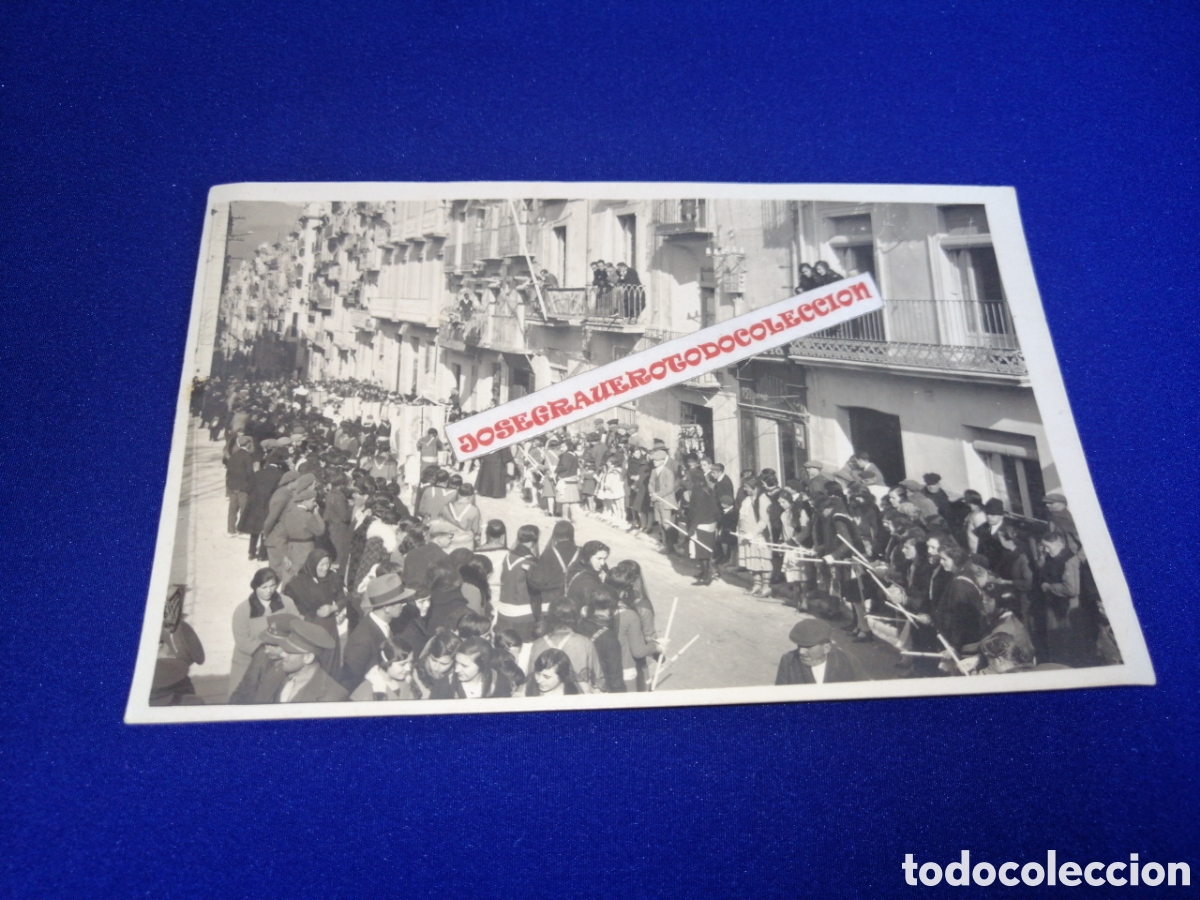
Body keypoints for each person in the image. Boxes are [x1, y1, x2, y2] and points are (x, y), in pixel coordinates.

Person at [339, 573, 414, 690]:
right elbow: (349, 682)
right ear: (387, 608)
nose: (403, 605)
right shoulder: (361, 640)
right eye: (400, 601)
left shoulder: (386, 625)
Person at [229, 567, 298, 693]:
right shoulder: (243, 610)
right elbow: (242, 640)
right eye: (264, 587)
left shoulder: (287, 603)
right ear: (255, 587)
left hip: (281, 659)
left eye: (272, 586)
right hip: (249, 663)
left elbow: (297, 627)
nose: (269, 591)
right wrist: (267, 650)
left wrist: (282, 649)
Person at [283, 549, 347, 675]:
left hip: (328, 627)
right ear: (313, 564)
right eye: (321, 564)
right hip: (307, 627)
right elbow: (287, 603)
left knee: (328, 663)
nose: (325, 568)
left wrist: (332, 608)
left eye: (327, 564)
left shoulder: (332, 578)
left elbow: (343, 599)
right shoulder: (298, 582)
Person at [267, 619, 349, 703]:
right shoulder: (282, 676)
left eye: (289, 652)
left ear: (308, 658)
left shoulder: (333, 696)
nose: (282, 654)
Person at [528, 602, 603, 692]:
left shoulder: (537, 644)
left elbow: (530, 679)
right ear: (575, 617)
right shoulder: (585, 642)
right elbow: (598, 681)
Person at [228, 612, 298, 704]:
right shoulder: (262, 653)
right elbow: (243, 689)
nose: (267, 650)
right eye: (266, 644)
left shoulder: (295, 667)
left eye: (273, 645)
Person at [775, 618, 868, 685]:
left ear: (826, 648)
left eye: (808, 647)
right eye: (799, 646)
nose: (801, 652)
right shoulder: (789, 661)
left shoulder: (848, 661)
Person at [497, 524, 540, 639]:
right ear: (534, 541)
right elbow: (537, 586)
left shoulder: (507, 556)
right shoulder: (530, 561)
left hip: (503, 609)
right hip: (523, 612)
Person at [527, 520, 579, 611]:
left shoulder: (548, 553)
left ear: (554, 536)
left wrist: (529, 571)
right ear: (572, 535)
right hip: (574, 602)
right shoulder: (580, 552)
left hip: (551, 603)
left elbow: (537, 581)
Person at [349, 639, 420, 701]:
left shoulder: (409, 683)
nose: (408, 668)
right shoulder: (362, 694)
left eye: (410, 662)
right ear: (386, 661)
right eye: (402, 664)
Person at [738, 476, 773, 597]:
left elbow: (764, 521)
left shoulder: (763, 499)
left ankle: (766, 587)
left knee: (763, 562)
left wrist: (753, 533)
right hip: (747, 536)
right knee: (753, 561)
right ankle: (757, 585)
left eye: (747, 487)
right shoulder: (749, 499)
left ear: (755, 487)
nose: (745, 489)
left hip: (759, 537)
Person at [414, 630, 461, 699]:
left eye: (443, 664)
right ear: (429, 654)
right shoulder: (415, 671)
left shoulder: (458, 676)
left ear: (454, 662)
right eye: (433, 660)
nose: (436, 667)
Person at [565, 540, 609, 612]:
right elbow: (598, 608)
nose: (602, 563)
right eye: (599, 558)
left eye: (605, 559)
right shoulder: (589, 582)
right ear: (588, 557)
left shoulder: (575, 566)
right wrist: (605, 584)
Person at [225, 433, 255, 536]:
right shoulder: (247, 456)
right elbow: (250, 473)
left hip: (232, 486)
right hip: (243, 487)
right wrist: (252, 486)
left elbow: (228, 472)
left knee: (232, 509)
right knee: (244, 509)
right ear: (247, 444)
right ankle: (243, 530)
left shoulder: (234, 455)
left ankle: (231, 530)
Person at [439, 483, 482, 552]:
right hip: (465, 544)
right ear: (470, 496)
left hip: (448, 542)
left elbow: (440, 523)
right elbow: (476, 531)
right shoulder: (474, 510)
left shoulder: (446, 507)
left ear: (458, 493)